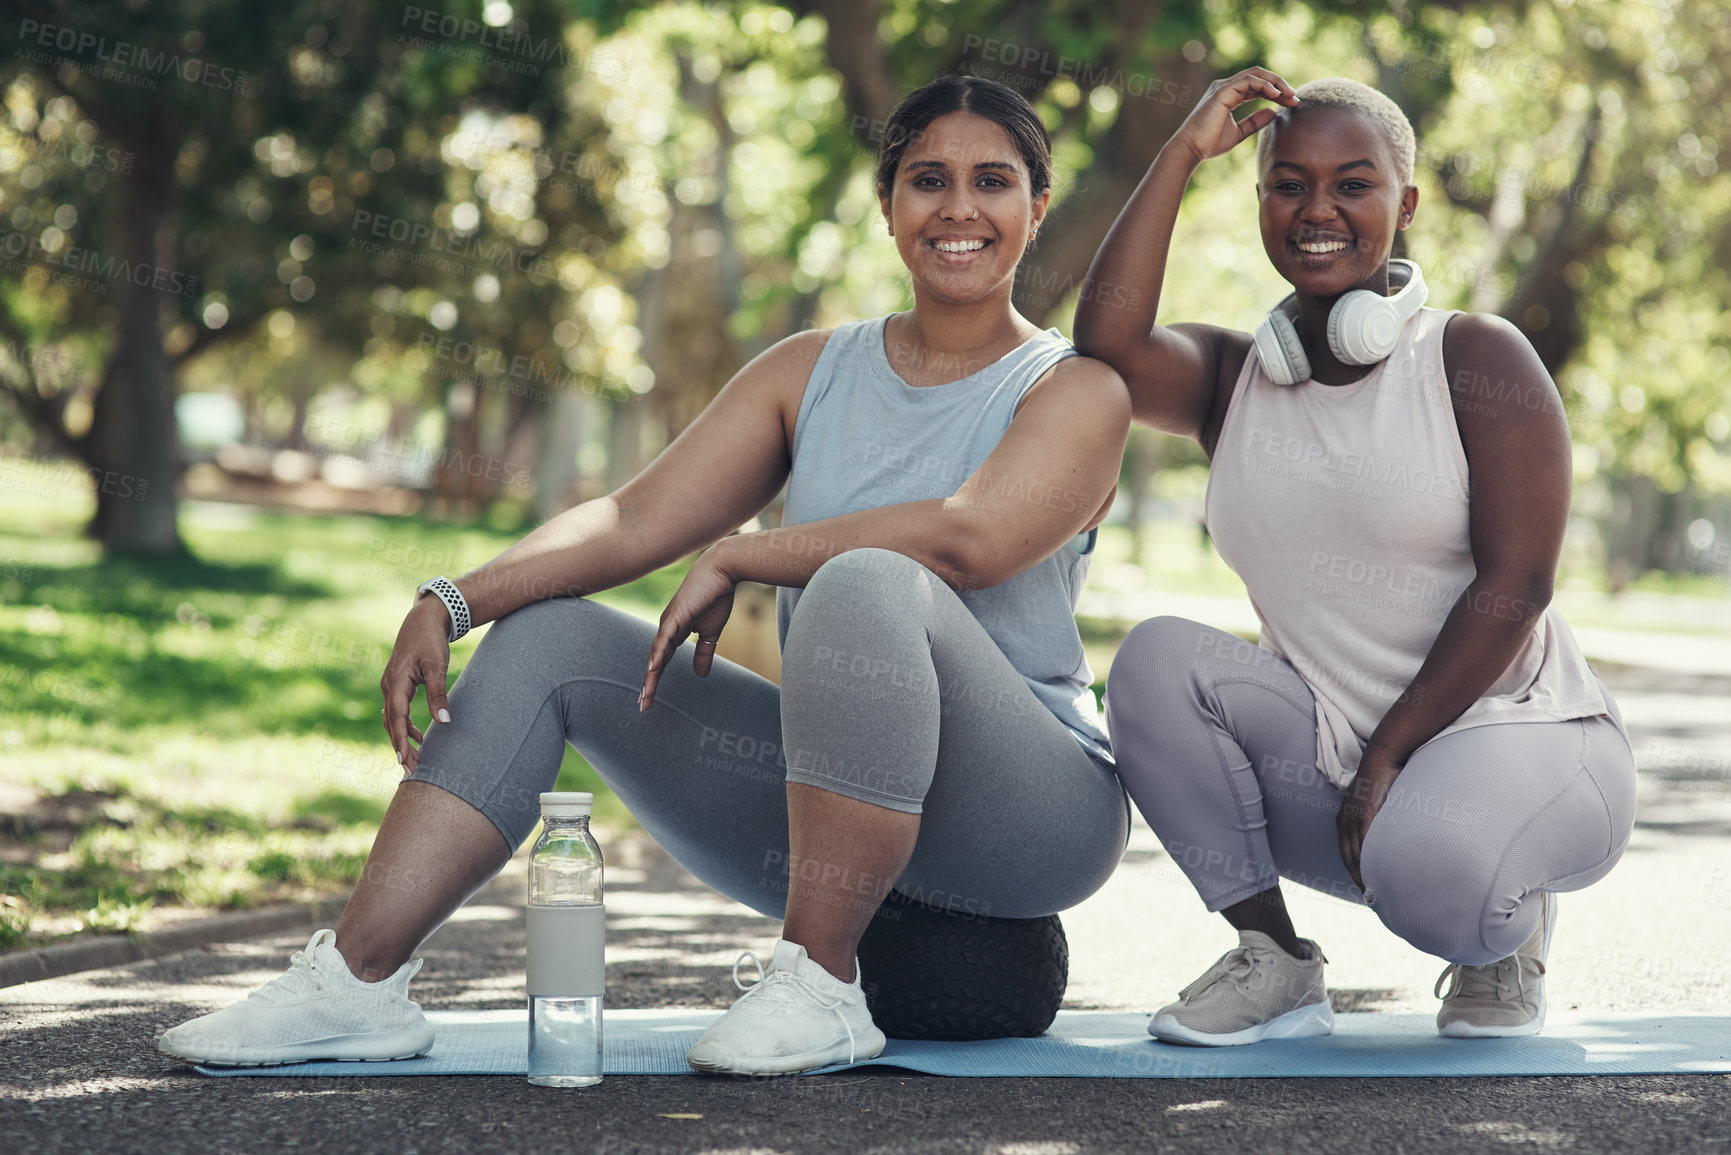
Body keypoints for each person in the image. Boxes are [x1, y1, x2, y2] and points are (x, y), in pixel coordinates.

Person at [158, 74, 1132, 1076]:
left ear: (1036, 206)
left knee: (867, 578)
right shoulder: (813, 369)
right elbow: (633, 518)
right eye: (927, 179)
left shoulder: (1077, 390)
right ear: (888, 208)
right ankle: (354, 985)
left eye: (993, 181)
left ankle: (816, 982)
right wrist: (450, 602)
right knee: (548, 639)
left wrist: (750, 549)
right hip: (833, 794)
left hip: (1028, 817)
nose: (959, 208)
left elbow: (967, 540)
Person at [1073, 69, 1635, 1046]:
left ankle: (1508, 928)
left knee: (1433, 885)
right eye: (1288, 183)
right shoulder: (1235, 378)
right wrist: (1178, 153)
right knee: (1156, 664)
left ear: (1404, 203)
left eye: (1352, 184)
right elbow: (1109, 342)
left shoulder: (1474, 357)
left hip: (1528, 740)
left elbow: (1518, 586)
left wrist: (1388, 755)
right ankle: (1274, 960)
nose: (1317, 208)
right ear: (1258, 201)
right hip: (1341, 758)